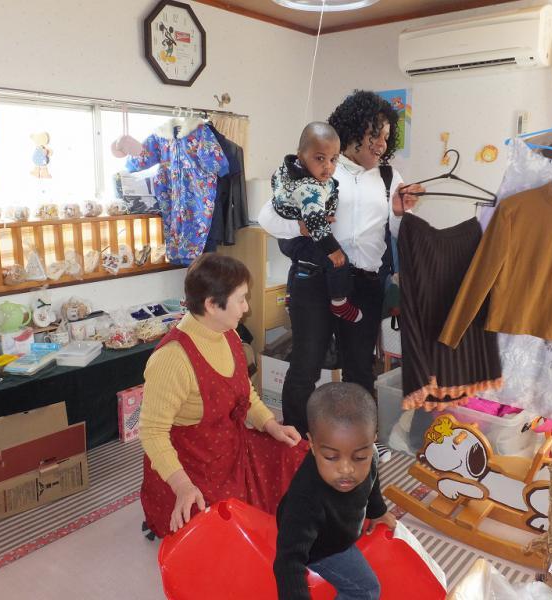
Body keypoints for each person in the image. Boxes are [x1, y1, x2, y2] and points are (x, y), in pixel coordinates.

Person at [259, 90, 423, 437]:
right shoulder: (321, 167)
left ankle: (355, 441)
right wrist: (301, 226)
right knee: (305, 365)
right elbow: (267, 218)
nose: (381, 144)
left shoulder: (390, 177)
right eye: (374, 134)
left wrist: (400, 212)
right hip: (314, 280)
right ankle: (296, 442)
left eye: (386, 138)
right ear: (353, 129)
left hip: (364, 285)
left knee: (359, 369)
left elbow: (396, 233)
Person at [139, 254, 308, 538]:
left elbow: (245, 392)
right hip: (193, 466)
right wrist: (182, 486)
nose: (246, 307)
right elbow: (152, 432)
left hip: (232, 446)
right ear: (211, 305)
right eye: (241, 299)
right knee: (225, 532)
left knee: (297, 455)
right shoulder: (172, 359)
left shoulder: (229, 334)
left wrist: (271, 425)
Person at [273, 382, 396, 600]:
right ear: (312, 444)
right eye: (331, 457)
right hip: (321, 546)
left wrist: (377, 511)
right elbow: (288, 561)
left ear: (372, 442)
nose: (346, 469)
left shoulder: (371, 455)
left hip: (342, 525)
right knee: (366, 590)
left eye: (359, 457)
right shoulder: (305, 500)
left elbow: (372, 481)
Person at [271, 122, 360, 322]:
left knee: (299, 261)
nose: (328, 166)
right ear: (301, 156)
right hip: (298, 237)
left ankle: (290, 297)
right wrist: (333, 250)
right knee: (338, 262)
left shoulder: (289, 171)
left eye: (333, 159)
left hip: (288, 237)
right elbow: (316, 224)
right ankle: (339, 303)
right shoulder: (309, 186)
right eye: (320, 158)